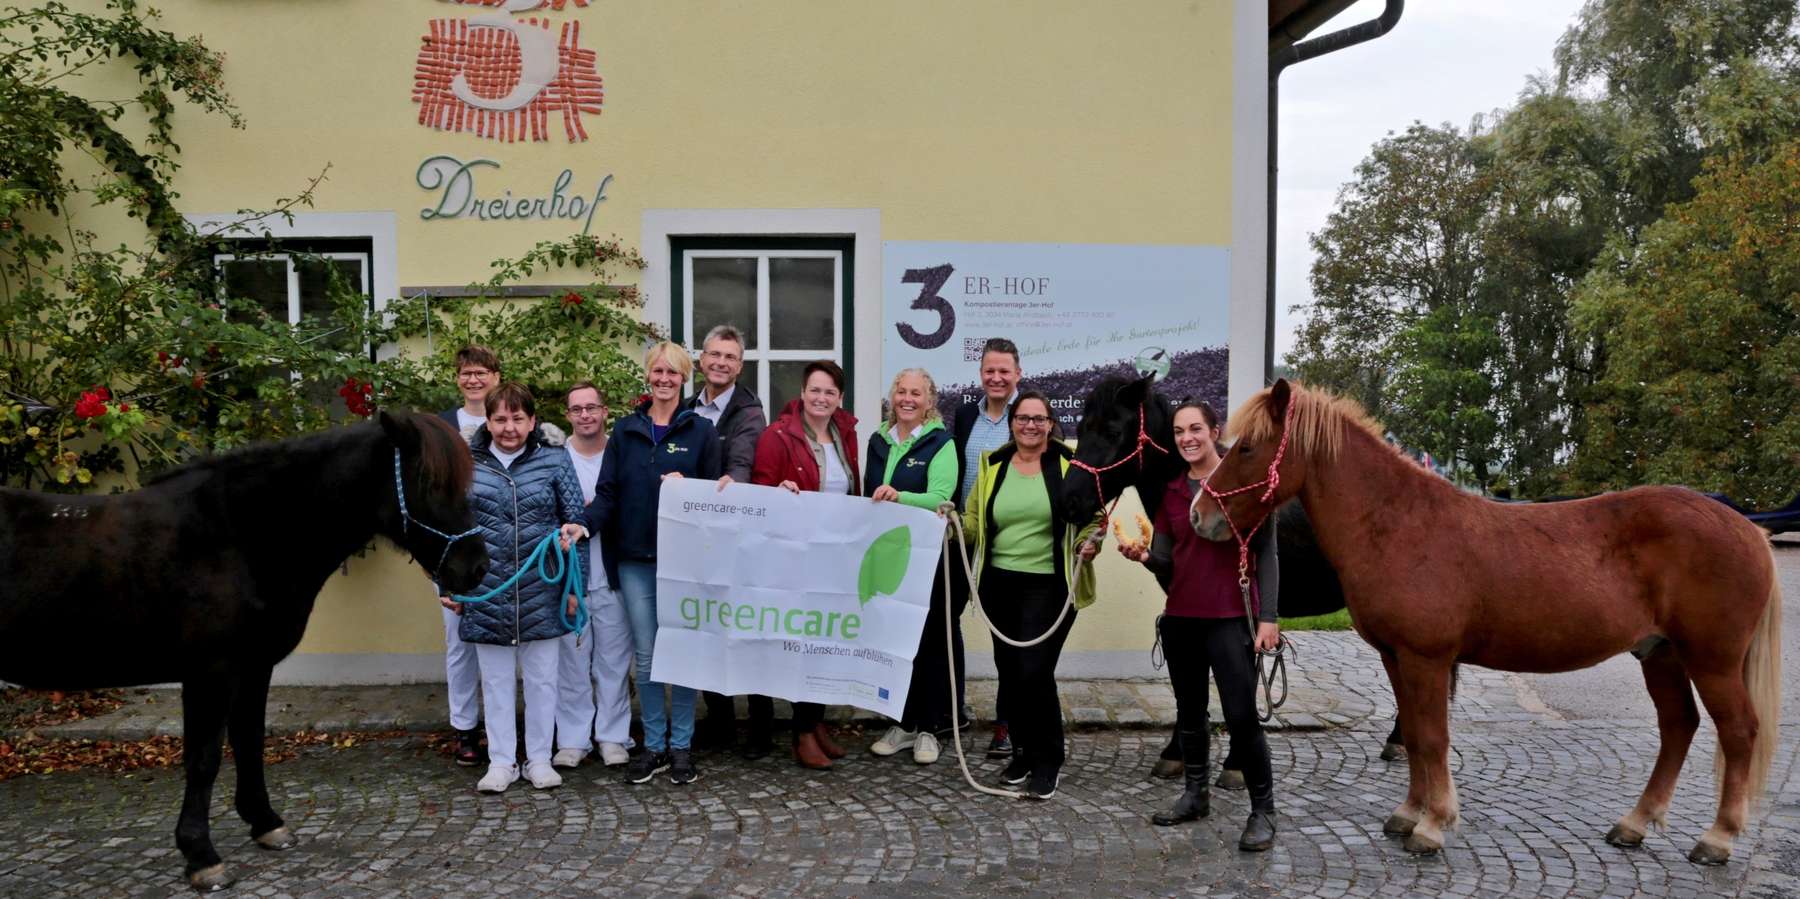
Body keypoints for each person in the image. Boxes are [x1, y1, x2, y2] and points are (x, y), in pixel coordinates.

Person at [1117, 400, 1281, 851]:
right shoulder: (1172, 491)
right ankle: (1195, 795)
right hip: (1182, 619)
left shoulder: (1243, 481)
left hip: (1230, 620)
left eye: (1196, 429)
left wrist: (1268, 618)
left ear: (1215, 430)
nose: (1187, 438)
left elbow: (1267, 552)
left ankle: (1262, 811)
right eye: (1178, 432)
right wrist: (1145, 556)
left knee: (1242, 717)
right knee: (1190, 716)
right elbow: (1170, 562)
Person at [588, 342, 726, 786]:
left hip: (683, 562)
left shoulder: (700, 432)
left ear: (684, 378)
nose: (664, 379)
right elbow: (607, 494)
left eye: (673, 372)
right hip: (634, 559)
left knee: (681, 654)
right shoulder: (625, 432)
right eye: (657, 371)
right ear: (648, 376)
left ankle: (682, 747)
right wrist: (580, 525)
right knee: (647, 657)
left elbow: (715, 498)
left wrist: (691, 486)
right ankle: (654, 746)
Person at [445, 382, 590, 794]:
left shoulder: (555, 461)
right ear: (487, 421)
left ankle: (540, 759)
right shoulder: (465, 464)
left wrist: (575, 588)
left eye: (518, 418)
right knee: (495, 681)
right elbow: (450, 530)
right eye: (500, 419)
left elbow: (575, 524)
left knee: (544, 679)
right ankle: (502, 762)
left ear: (532, 421)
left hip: (541, 589)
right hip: (487, 589)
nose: (509, 427)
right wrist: (450, 585)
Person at [961, 391, 1099, 799]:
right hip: (999, 583)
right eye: (1024, 418)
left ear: (1051, 424)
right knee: (1010, 673)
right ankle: (1020, 754)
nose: (1031, 425)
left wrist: (1090, 544)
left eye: (1039, 419)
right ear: (1012, 422)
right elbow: (973, 520)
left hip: (1049, 585)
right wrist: (950, 525)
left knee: (1034, 673)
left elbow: (1094, 518)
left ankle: (1048, 759)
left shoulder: (1069, 466)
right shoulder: (993, 466)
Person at [749, 360, 861, 769]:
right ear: (802, 392)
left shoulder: (844, 434)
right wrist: (778, 491)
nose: (821, 398)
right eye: (815, 390)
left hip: (833, 556)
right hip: (791, 557)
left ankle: (814, 724)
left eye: (829, 392)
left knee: (825, 642)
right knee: (800, 644)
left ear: (840, 398)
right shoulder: (776, 436)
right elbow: (758, 491)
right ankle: (800, 733)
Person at [685, 324, 775, 759]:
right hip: (695, 536)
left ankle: (760, 726)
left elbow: (741, 463)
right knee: (705, 627)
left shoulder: (749, 411)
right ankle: (718, 719)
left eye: (730, 357)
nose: (720, 363)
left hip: (737, 534)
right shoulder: (686, 408)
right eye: (714, 355)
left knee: (746, 629)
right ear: (702, 360)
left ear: (740, 366)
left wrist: (725, 489)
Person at [865, 368, 959, 765]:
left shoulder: (942, 443)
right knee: (895, 638)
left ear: (929, 400)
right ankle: (902, 723)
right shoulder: (877, 441)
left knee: (932, 642)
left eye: (915, 393)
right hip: (888, 557)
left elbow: (941, 496)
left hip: (929, 558)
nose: (907, 399)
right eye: (901, 391)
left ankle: (931, 729)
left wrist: (899, 496)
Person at [551, 383, 634, 770]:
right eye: (577, 409)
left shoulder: (621, 455)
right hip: (570, 576)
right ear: (568, 415)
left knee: (614, 660)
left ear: (605, 412)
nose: (585, 415)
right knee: (572, 659)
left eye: (592, 408)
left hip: (615, 570)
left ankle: (613, 736)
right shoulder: (554, 459)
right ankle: (572, 738)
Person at [952, 337, 1022, 759]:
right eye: (989, 371)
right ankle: (950, 709)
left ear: (1018, 374)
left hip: (1008, 541)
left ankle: (1007, 723)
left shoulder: (1030, 417)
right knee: (944, 620)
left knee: (1008, 636)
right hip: (964, 534)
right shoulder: (964, 415)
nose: (996, 378)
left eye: (1004, 371)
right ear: (981, 375)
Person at [436, 344, 501, 768]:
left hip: (504, 543)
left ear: (496, 376)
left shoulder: (510, 417)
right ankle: (465, 729)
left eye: (481, 372)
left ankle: (505, 730)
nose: (473, 379)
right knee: (459, 642)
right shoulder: (442, 427)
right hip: (454, 546)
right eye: (466, 373)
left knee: (504, 642)